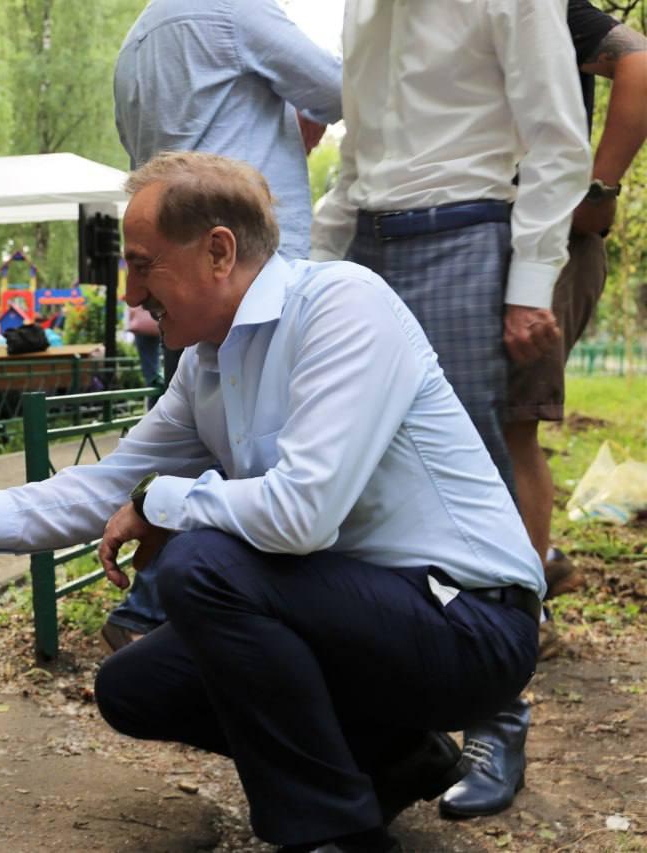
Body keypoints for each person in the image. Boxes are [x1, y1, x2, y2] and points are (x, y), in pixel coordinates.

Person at [0, 152, 543, 852]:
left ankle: (332, 834)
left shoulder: (343, 304)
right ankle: (396, 756)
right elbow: (107, 484)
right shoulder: (206, 365)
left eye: (143, 263)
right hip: (361, 616)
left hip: (469, 620)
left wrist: (163, 500)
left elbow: (302, 514)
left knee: (202, 564)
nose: (130, 294)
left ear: (218, 251)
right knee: (136, 684)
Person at [310, 0, 593, 825]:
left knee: (469, 481)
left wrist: (529, 281)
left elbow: (555, 137)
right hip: (369, 240)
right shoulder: (362, 9)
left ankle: (499, 715)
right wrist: (315, 271)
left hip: (468, 232)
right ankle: (396, 728)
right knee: (361, 482)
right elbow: (354, 156)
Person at [441, 5, 647, 820]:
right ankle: (532, 572)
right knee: (487, 423)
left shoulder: (555, 9)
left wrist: (598, 186)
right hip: (504, 234)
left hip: (551, 241)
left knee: (512, 425)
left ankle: (516, 620)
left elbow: (638, 63)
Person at [105, 0, 342, 648]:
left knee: (214, 443)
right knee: (256, 453)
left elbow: (146, 168)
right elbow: (338, 87)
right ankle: (183, 608)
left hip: (191, 283)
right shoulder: (234, 12)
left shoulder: (134, 47)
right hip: (251, 270)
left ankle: (153, 605)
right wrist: (300, 124)